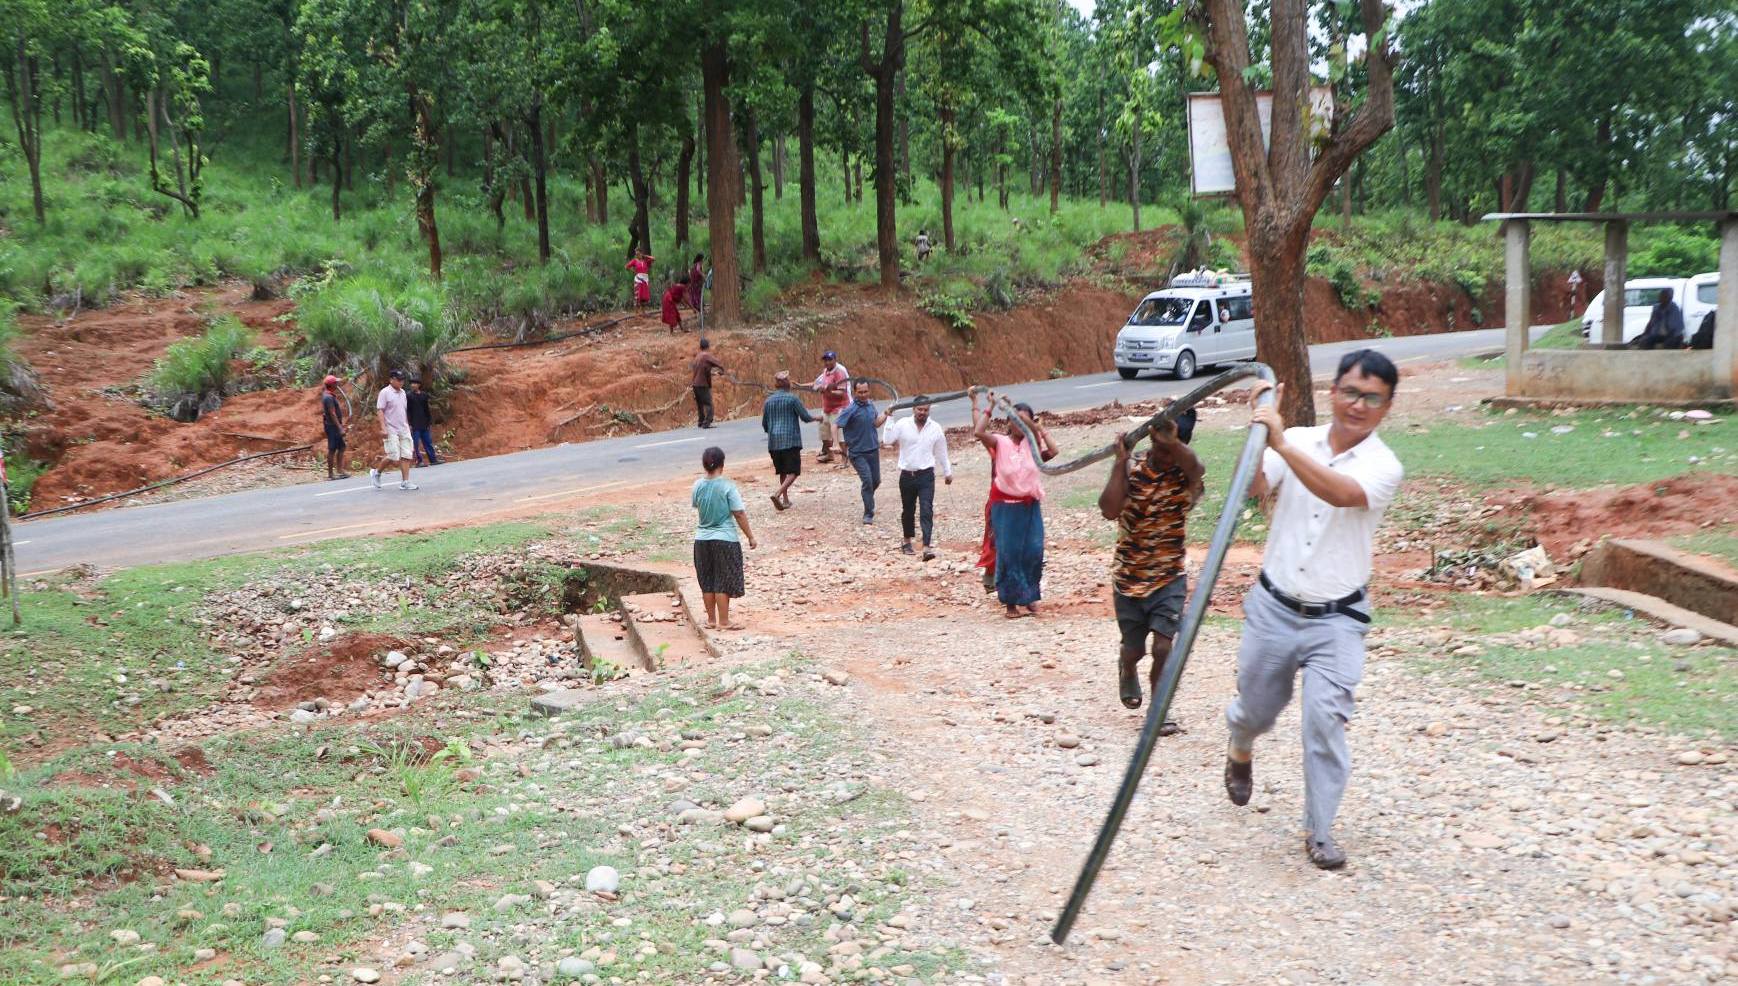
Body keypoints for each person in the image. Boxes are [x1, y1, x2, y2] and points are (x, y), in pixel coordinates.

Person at [1223, 349, 1404, 871]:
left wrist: (1278, 438)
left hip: (1338, 620)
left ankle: (1319, 830)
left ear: (1387, 406)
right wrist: (1258, 436)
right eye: (1350, 391)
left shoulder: (1382, 465)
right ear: (1333, 391)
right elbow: (1255, 487)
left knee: (1324, 721)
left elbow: (1343, 493)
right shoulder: (1298, 439)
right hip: (1274, 606)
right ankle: (1239, 743)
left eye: (1372, 397)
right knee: (1256, 709)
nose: (1358, 404)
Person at [1098, 410, 1203, 726]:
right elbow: (1108, 510)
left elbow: (1197, 468)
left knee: (1162, 647)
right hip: (1129, 579)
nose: (1163, 456)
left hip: (1168, 578)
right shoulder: (1134, 469)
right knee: (1135, 650)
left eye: (1170, 450)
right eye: (1158, 448)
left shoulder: (1187, 477)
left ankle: (1158, 713)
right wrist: (1120, 463)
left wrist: (1174, 445)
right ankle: (1127, 667)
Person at [972, 390, 1057, 618]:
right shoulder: (1000, 442)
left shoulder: (1032, 444)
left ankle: (1029, 597)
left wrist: (1030, 423)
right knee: (1009, 553)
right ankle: (1010, 601)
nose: (1019, 425)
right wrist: (990, 406)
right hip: (1005, 507)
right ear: (1009, 423)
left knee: (1033, 551)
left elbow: (1055, 450)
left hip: (1030, 506)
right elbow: (978, 431)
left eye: (1023, 420)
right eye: (1015, 420)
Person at [691, 445, 756, 630]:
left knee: (707, 579)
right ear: (722, 464)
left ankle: (711, 620)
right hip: (725, 538)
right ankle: (724, 621)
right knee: (722, 580)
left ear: (705, 465)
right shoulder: (728, 486)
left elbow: (696, 506)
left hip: (701, 539)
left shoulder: (697, 486)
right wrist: (750, 536)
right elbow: (739, 513)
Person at [881, 396, 952, 559]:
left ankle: (927, 546)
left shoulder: (935, 428)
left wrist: (947, 472)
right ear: (913, 409)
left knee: (926, 510)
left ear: (929, 410)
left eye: (925, 410)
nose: (922, 412)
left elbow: (942, 452)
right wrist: (890, 418)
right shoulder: (902, 424)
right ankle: (907, 541)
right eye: (919, 409)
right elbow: (887, 440)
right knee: (908, 510)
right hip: (907, 475)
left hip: (926, 475)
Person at [760, 371, 814, 511]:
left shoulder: (768, 401)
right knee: (794, 471)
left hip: (774, 442)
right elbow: (805, 417)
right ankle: (778, 494)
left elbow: (765, 424)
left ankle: (785, 499)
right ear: (788, 384)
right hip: (790, 441)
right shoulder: (792, 399)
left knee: (783, 471)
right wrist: (819, 419)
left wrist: (772, 432)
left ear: (776, 385)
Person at [836, 379, 885, 524]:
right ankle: (868, 514)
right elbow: (836, 425)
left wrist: (886, 414)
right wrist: (836, 445)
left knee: (876, 481)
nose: (863, 395)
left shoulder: (870, 405)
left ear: (869, 391)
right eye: (860, 392)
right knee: (868, 481)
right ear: (854, 392)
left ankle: (867, 494)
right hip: (857, 453)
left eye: (865, 392)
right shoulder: (850, 410)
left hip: (873, 450)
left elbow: (875, 423)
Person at [370, 370, 418, 491]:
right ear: (391, 380)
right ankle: (377, 472)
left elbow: (403, 410)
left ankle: (405, 482)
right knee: (393, 455)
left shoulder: (402, 393)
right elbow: (380, 410)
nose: (401, 382)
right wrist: (383, 428)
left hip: (403, 427)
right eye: (398, 379)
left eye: (402, 380)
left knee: (406, 454)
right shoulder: (385, 392)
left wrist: (408, 424)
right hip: (391, 428)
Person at [812, 351, 852, 463]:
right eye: (825, 360)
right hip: (827, 407)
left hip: (839, 408)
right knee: (824, 431)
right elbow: (817, 383)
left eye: (830, 360)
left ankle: (844, 459)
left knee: (840, 435)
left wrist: (829, 391)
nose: (827, 362)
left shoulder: (840, 372)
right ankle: (829, 455)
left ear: (835, 359)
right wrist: (818, 388)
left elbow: (842, 392)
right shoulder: (825, 371)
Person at [690, 338, 724, 429]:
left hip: (695, 384)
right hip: (702, 384)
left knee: (700, 404)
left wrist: (714, 373)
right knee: (708, 403)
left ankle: (700, 421)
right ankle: (707, 423)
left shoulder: (698, 356)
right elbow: (718, 363)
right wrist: (722, 370)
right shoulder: (706, 355)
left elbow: (702, 371)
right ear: (708, 346)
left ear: (700, 347)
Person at [320, 375, 349, 480]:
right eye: (336, 382)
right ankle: (331, 475)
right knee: (332, 449)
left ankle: (340, 471)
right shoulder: (328, 397)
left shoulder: (329, 395)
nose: (337, 384)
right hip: (332, 427)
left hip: (334, 426)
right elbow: (332, 413)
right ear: (331, 385)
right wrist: (340, 427)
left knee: (341, 447)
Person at [406, 379, 439, 467]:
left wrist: (429, 422)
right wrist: (409, 423)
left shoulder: (424, 395)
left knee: (428, 442)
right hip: (414, 424)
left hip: (424, 423)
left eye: (414, 383)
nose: (412, 385)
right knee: (415, 444)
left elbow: (426, 409)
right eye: (411, 384)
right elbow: (407, 410)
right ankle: (419, 461)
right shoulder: (408, 396)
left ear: (419, 385)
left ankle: (433, 459)